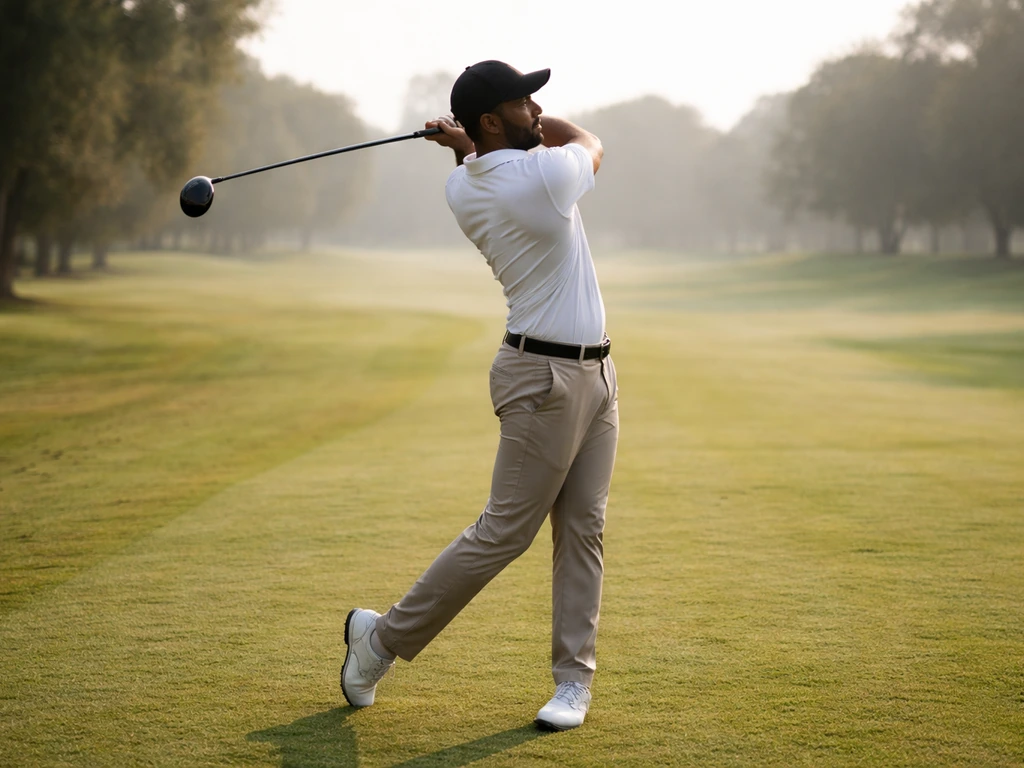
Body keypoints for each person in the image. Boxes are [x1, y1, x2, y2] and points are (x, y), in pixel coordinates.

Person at [341, 60, 618, 732]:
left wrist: (466, 139)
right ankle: (379, 643)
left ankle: (571, 684)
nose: (537, 110)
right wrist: (473, 135)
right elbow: (590, 142)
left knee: (584, 529)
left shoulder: (463, 185)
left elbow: (492, 161)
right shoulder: (546, 175)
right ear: (496, 119)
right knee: (504, 533)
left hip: (595, 375)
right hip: (543, 379)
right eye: (524, 101)